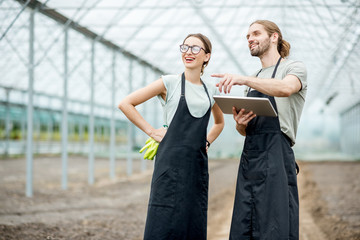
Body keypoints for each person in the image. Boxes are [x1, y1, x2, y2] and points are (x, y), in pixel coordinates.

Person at [118, 33, 224, 239]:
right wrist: (151, 131)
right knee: (163, 219)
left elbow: (219, 123)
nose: (188, 52)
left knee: (192, 220)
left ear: (207, 57)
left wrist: (207, 140)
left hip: (196, 166)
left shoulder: (211, 91)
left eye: (195, 48)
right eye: (184, 47)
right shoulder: (169, 83)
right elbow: (126, 104)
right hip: (169, 165)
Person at [212, 20, 307, 240]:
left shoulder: (293, 68)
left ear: (274, 37)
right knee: (245, 219)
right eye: (247, 36)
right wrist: (241, 124)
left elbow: (285, 88)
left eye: (256, 33)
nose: (250, 39)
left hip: (276, 155)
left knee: (274, 222)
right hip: (250, 157)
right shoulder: (254, 78)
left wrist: (243, 78)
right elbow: (244, 132)